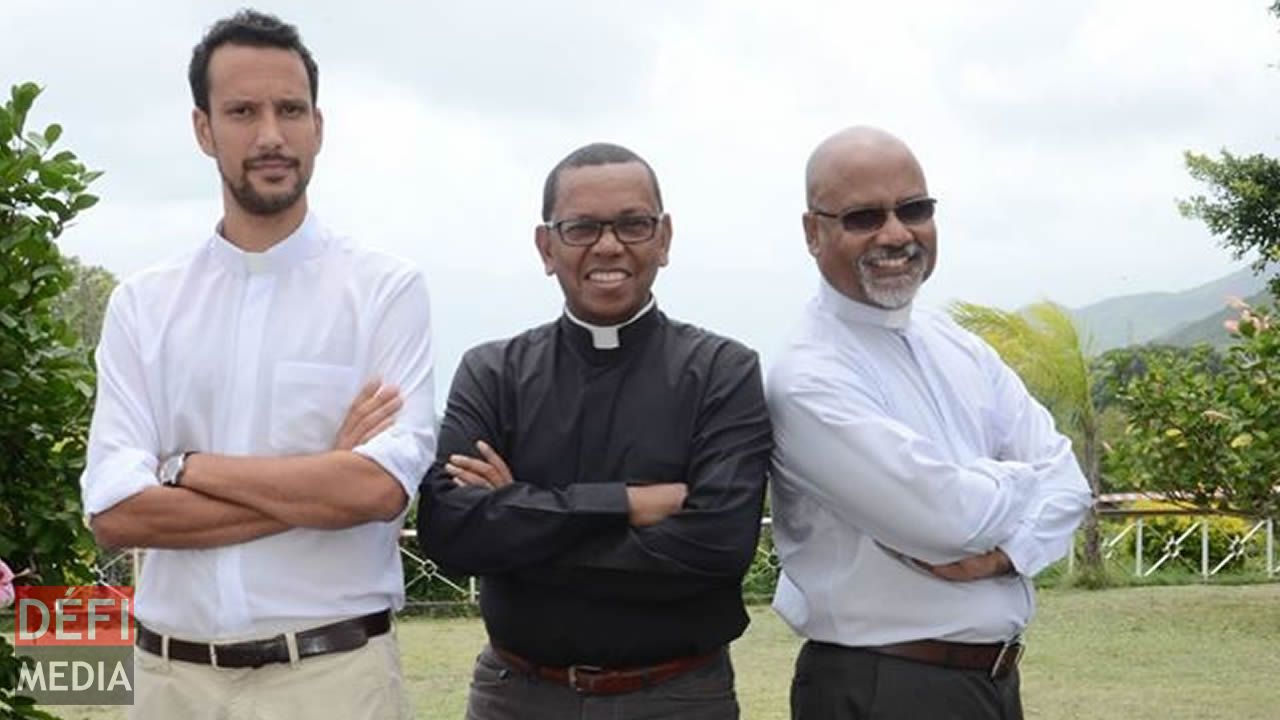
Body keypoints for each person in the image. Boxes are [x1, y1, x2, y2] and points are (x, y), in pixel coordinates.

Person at [80, 10, 435, 719]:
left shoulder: (385, 292)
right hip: (169, 684)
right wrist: (315, 477)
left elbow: (373, 492)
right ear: (204, 129)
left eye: (290, 110)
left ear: (318, 126)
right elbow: (116, 513)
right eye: (242, 111)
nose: (271, 134)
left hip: (333, 680)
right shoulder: (144, 307)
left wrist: (187, 468)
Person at [417, 142, 771, 719]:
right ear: (546, 246)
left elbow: (717, 549)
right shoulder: (494, 372)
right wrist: (626, 505)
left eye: (633, 224)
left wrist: (517, 522)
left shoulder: (721, 372)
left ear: (664, 237)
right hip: (518, 695)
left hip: (678, 698)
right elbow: (452, 533)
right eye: (581, 227)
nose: (609, 246)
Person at [767, 126, 1092, 719]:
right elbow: (948, 519)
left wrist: (1002, 553)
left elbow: (1070, 483)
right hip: (883, 686)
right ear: (814, 232)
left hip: (990, 684)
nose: (896, 233)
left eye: (914, 209)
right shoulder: (807, 377)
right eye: (864, 217)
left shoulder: (958, 346)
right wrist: (1022, 482)